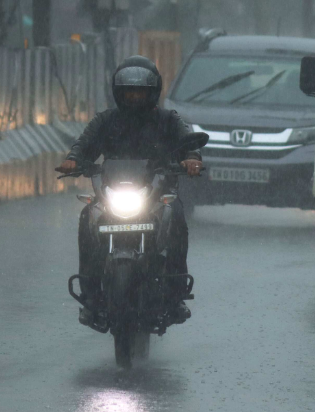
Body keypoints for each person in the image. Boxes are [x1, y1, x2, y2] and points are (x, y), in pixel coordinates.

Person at [56, 56, 204, 323]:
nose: (134, 97)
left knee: (176, 214)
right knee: (87, 216)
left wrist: (191, 158)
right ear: (119, 93)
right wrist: (74, 160)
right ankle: (90, 295)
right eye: (129, 92)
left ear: (152, 92)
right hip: (112, 193)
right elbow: (84, 144)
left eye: (140, 92)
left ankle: (175, 293)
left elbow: (187, 142)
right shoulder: (106, 121)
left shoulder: (168, 120)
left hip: (156, 194)